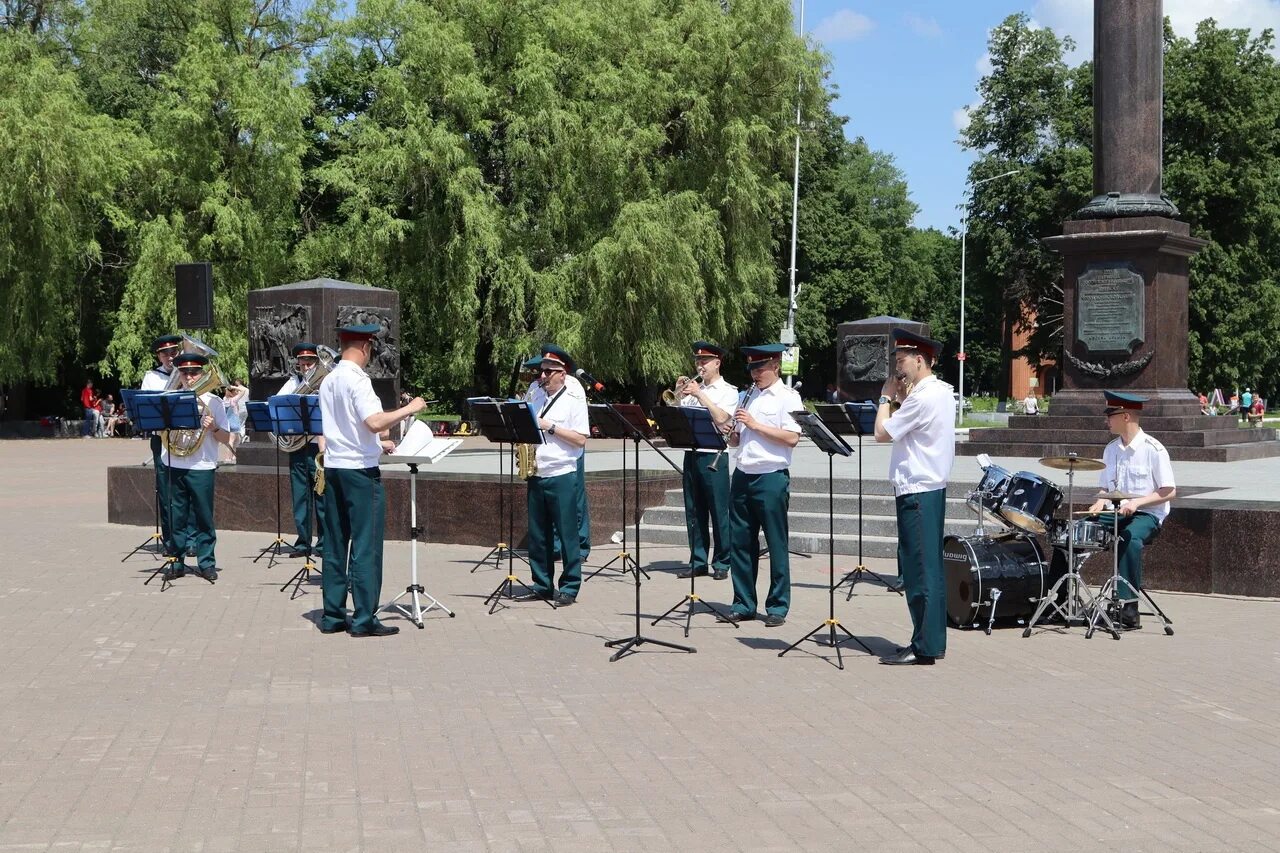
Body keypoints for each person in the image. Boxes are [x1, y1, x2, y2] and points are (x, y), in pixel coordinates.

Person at [318, 324, 426, 637]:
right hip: (360, 473)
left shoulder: (329, 380)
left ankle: (333, 615)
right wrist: (409, 408)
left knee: (335, 544)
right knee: (366, 546)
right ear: (366, 347)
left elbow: (344, 428)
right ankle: (364, 619)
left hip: (335, 467)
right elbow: (373, 422)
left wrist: (379, 444)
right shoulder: (357, 380)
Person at [874, 329, 955, 666]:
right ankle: (928, 640)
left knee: (920, 570)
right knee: (927, 568)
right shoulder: (937, 392)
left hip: (918, 491)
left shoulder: (924, 397)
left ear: (920, 360)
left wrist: (884, 398)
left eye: (902, 360)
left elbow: (881, 433)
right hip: (926, 489)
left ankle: (925, 645)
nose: (897, 368)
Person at [718, 343, 803, 628]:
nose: (756, 374)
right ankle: (743, 603)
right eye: (753, 368)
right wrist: (729, 433)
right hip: (742, 474)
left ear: (775, 366)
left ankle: (777, 606)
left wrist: (754, 425)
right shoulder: (747, 396)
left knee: (776, 542)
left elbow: (792, 437)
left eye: (761, 368)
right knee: (740, 542)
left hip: (771, 477)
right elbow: (737, 439)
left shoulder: (788, 398)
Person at [1086, 391, 1176, 629]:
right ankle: (1061, 600)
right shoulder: (1111, 449)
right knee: (1075, 531)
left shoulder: (1153, 449)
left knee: (1129, 539)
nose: (1107, 420)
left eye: (1111, 415)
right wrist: (1099, 503)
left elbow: (1169, 491)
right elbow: (1105, 487)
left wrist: (1137, 503)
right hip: (1116, 512)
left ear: (1125, 416)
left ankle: (1128, 608)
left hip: (1147, 515)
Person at [522, 345, 591, 606]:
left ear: (563, 374)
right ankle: (542, 584)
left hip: (562, 472)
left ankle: (570, 586)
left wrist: (549, 426)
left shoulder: (574, 399)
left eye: (549, 372)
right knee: (538, 535)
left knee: (567, 533)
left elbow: (580, 439)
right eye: (542, 371)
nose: (543, 376)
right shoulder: (536, 396)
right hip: (537, 471)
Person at [159, 352, 232, 582]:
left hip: (202, 466)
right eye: (184, 373)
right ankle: (176, 561)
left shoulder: (214, 402)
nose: (189, 377)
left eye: (194, 372)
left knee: (203, 517)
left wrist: (213, 429)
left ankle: (207, 562)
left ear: (202, 374)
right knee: (176, 517)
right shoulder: (169, 399)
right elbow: (157, 429)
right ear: (179, 374)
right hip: (174, 461)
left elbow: (226, 437)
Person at [675, 341, 737, 580]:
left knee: (719, 510)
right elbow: (678, 417)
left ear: (717, 363)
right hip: (691, 453)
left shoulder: (728, 391)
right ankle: (698, 559)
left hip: (715, 455)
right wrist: (679, 394)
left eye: (705, 361)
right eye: (697, 361)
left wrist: (701, 395)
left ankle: (723, 561)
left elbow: (723, 420)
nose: (700, 365)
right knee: (693, 510)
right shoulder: (692, 390)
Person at [278, 344, 326, 557]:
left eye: (310, 363)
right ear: (297, 363)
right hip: (297, 447)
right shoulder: (292, 383)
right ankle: (303, 543)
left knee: (322, 495)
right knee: (300, 497)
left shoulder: (325, 384)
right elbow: (278, 406)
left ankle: (325, 543)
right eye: (303, 363)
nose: (306, 367)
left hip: (318, 447)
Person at [141, 334, 182, 546]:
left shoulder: (188, 373)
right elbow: (145, 409)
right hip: (161, 440)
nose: (170, 356)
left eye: (174, 352)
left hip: (185, 440)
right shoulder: (151, 378)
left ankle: (189, 539)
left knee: (186, 491)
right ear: (159, 356)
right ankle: (171, 540)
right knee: (166, 492)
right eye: (165, 353)